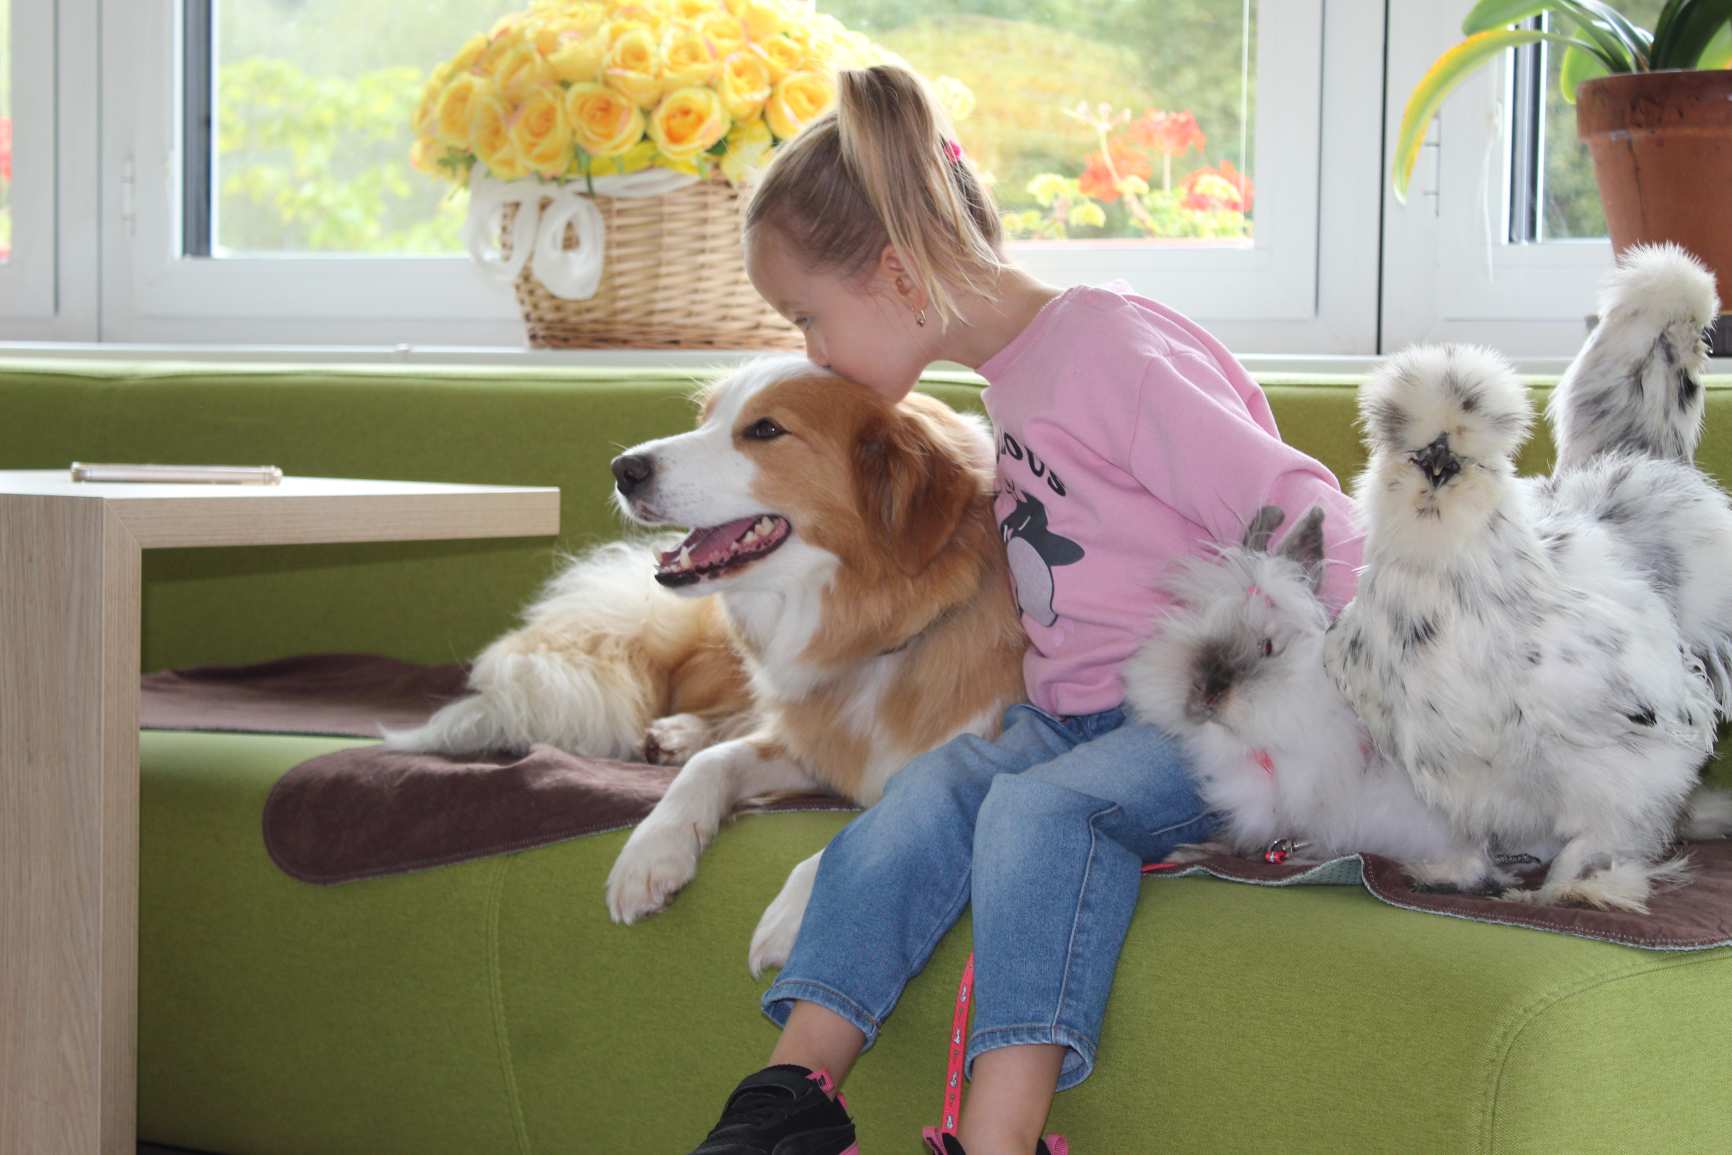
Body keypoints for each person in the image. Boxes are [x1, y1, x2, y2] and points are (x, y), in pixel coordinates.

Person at [691, 64, 1363, 1155]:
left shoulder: (1107, 350)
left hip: (1211, 720)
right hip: (1080, 719)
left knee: (1038, 815)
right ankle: (787, 1100)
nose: (810, 350)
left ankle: (996, 1139)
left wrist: (1386, 684)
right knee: (932, 792)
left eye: (808, 317)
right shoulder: (1013, 378)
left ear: (897, 274)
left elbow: (1301, 508)